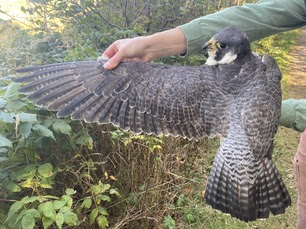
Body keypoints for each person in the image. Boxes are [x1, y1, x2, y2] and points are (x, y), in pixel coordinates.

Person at [101, 0, 306, 227]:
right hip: (252, 150)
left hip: (243, 151)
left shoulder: (221, 77)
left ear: (236, 51)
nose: (211, 49)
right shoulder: (264, 67)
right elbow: (264, 14)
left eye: (219, 47)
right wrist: (152, 45)